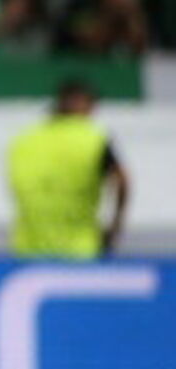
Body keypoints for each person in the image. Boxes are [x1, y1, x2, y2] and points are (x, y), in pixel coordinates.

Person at [8, 79, 130, 260]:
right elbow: (122, 180)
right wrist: (115, 227)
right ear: (82, 103)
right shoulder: (93, 139)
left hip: (27, 249)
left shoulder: (24, 140)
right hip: (80, 249)